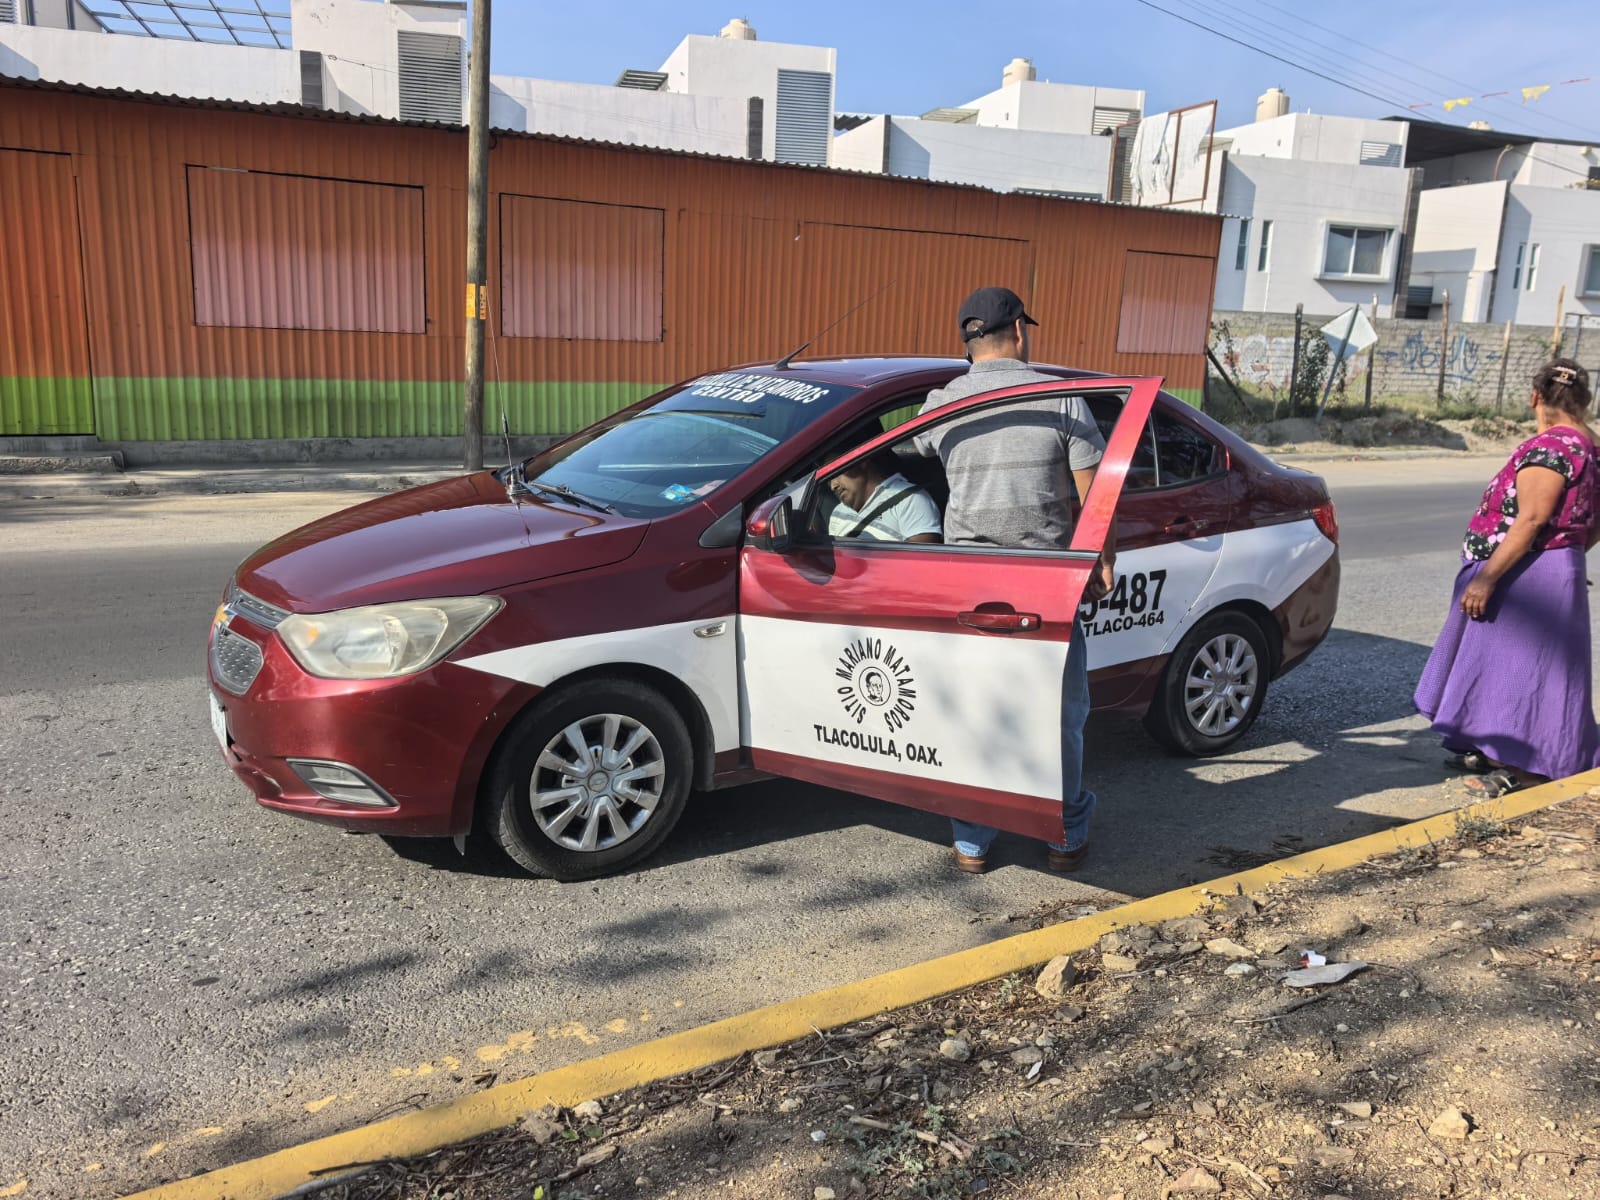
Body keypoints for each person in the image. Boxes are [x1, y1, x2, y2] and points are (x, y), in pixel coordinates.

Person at [913, 285, 1115, 874]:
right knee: (1058, 713)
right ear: (1021, 332)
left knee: (977, 710)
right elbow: (1095, 493)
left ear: (966, 342)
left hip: (966, 583)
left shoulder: (941, 404)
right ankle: (1063, 836)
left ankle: (973, 839)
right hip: (1043, 579)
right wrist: (1101, 561)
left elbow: (908, 450)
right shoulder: (1060, 398)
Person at [1414, 359, 1600, 797]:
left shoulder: (1553, 447)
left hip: (1525, 569)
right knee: (1507, 667)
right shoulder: (1592, 447)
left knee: (1517, 672)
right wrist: (1571, 556)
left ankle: (1525, 766)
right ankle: (1493, 745)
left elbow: (1532, 518)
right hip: (1555, 565)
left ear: (1535, 398)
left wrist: (1487, 578)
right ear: (1586, 400)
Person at [825, 449, 943, 544]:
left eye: (837, 472)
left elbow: (920, 563)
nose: (833, 486)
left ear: (861, 461)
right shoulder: (837, 511)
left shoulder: (910, 500)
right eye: (829, 480)